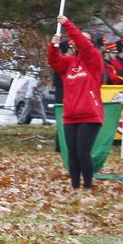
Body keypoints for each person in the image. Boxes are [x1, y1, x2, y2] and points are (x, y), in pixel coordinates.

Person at [47, 16, 104, 190]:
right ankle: (75, 187)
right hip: (71, 115)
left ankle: (87, 186)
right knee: (72, 153)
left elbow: (84, 45)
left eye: (84, 40)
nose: (79, 42)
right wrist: (53, 46)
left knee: (83, 152)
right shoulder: (70, 63)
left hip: (90, 115)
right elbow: (54, 61)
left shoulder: (94, 61)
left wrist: (67, 24)